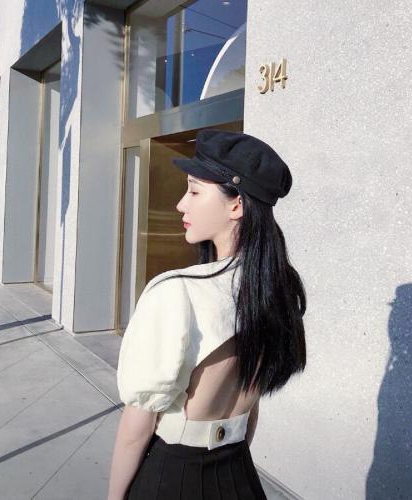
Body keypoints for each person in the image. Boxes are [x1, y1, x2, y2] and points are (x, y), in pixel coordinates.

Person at [107, 129, 307, 500]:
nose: (181, 204)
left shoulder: (177, 290)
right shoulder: (278, 289)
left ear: (236, 205)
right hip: (240, 473)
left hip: (173, 477)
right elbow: (251, 413)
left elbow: (137, 428)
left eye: (195, 191)